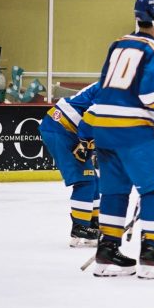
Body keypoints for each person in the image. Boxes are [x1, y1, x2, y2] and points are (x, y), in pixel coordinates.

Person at [83, 0, 154, 279]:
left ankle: (108, 252)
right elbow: (151, 95)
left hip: (103, 126)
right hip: (132, 130)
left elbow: (106, 86)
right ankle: (152, 253)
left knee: (114, 189)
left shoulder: (118, 45)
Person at [39, 82, 101, 247]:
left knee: (94, 180)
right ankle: (80, 227)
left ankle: (93, 224)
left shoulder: (119, 83)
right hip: (60, 129)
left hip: (66, 128)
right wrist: (87, 143)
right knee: (85, 179)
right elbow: (91, 117)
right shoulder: (116, 88)